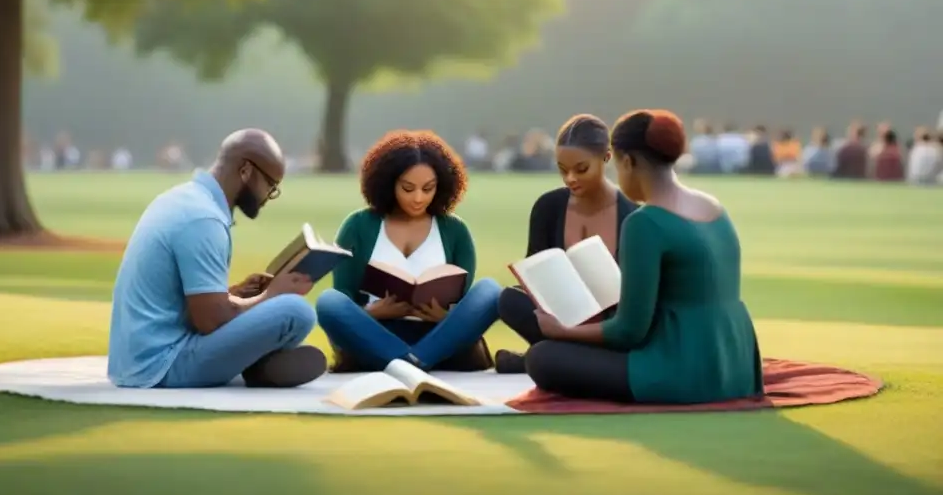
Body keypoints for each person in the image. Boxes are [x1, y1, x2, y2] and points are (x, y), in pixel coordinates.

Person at [519, 109, 763, 405]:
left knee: (542, 358)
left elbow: (629, 331)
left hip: (681, 369)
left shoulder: (644, 223)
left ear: (628, 161)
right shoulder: (713, 206)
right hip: (735, 365)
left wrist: (563, 331)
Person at [107, 129, 326, 389]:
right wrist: (271, 295)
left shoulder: (185, 199)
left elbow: (192, 305)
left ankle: (257, 365)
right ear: (246, 171)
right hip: (162, 364)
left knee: (279, 308)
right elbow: (210, 321)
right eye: (271, 185)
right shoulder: (204, 219)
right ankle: (257, 366)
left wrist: (235, 295)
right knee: (296, 312)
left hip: (133, 361)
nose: (269, 197)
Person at [315, 130, 501, 372]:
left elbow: (466, 303)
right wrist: (372, 312)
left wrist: (445, 317)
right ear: (388, 183)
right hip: (375, 335)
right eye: (408, 188)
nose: (418, 198)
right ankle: (411, 362)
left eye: (428, 188)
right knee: (328, 302)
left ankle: (412, 363)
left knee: (491, 290)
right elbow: (343, 294)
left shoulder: (455, 230)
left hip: (440, 336)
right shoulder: (358, 226)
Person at [496, 114, 638, 374]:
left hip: (612, 322)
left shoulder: (632, 215)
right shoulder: (548, 207)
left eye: (581, 169)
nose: (570, 178)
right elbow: (535, 271)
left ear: (606, 158)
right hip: (560, 313)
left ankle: (546, 356)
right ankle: (559, 354)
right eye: (563, 170)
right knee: (508, 300)